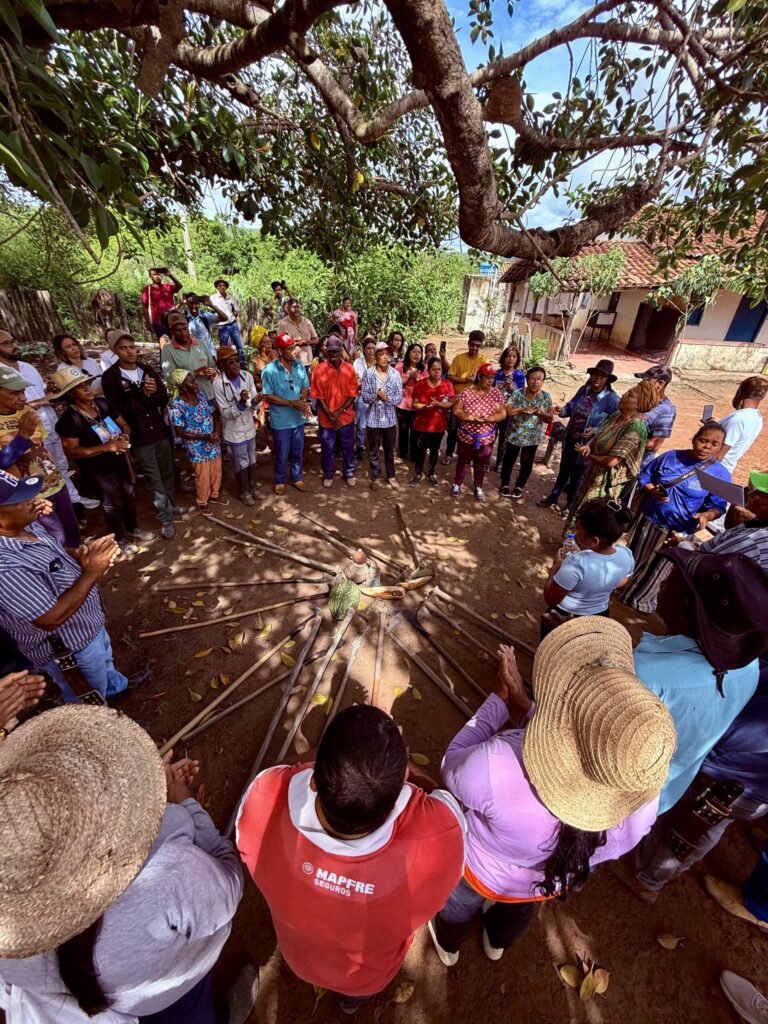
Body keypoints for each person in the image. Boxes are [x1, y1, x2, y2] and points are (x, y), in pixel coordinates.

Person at [428, 620, 675, 966]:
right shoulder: (642, 801)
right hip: (542, 882)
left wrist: (498, 702)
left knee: (458, 903)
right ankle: (496, 942)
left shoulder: (498, 764)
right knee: (517, 913)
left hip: (479, 871)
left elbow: (451, 767)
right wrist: (528, 712)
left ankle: (448, 942)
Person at [0, 705, 257, 1024]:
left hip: (110, 1004)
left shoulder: (8, 935)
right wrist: (184, 808)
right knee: (190, 1014)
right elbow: (230, 885)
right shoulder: (169, 865)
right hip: (173, 987)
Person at [236, 703, 465, 1014]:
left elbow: (278, 772)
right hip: (368, 977)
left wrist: (337, 759)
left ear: (315, 781)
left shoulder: (262, 802)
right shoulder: (439, 841)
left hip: (299, 959)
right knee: (355, 996)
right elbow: (443, 800)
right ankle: (349, 1005)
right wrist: (398, 770)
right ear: (398, 795)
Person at [631, 549, 764, 815]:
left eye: (674, 580)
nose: (664, 582)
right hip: (661, 795)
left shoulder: (646, 677)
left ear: (691, 606)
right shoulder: (749, 667)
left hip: (614, 797)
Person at [0, 471, 149, 702]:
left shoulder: (25, 526)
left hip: (86, 624)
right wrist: (92, 571)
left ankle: (115, 689)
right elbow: (50, 619)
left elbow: (55, 554)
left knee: (104, 665)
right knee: (87, 700)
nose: (34, 500)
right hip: (70, 647)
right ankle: (104, 729)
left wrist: (80, 555)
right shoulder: (5, 567)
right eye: (21, 500)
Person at [611, 692, 768, 905]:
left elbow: (731, 732)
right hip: (749, 789)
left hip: (726, 782)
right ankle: (662, 873)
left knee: (681, 829)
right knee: (704, 828)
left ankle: (647, 880)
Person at [620, 423, 731, 612]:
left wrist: (706, 515)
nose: (707, 447)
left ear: (721, 448)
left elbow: (718, 506)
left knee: (660, 567)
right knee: (634, 557)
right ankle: (619, 590)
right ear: (695, 439)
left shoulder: (720, 474)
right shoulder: (671, 457)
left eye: (714, 444)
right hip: (650, 519)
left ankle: (640, 602)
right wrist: (651, 490)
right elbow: (646, 475)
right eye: (703, 440)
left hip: (680, 529)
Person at [55, 367, 154, 556]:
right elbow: (71, 452)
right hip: (98, 470)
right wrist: (106, 448)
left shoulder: (102, 404)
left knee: (129, 493)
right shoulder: (71, 419)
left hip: (120, 461)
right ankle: (119, 538)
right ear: (70, 394)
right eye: (80, 387)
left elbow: (124, 424)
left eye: (87, 384)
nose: (87, 389)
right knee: (112, 502)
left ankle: (133, 528)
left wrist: (124, 437)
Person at [102, 330, 179, 540]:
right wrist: (143, 395)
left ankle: (171, 505)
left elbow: (163, 398)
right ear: (114, 351)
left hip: (159, 431)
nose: (129, 352)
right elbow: (119, 411)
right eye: (123, 348)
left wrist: (152, 394)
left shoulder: (146, 369)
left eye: (131, 346)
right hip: (139, 435)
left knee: (167, 471)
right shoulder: (110, 377)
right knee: (153, 478)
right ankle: (165, 518)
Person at [0, 365, 81, 547]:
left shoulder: (27, 411)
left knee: (72, 530)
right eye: (14, 393)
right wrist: (22, 437)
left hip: (56, 483)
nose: (23, 397)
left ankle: (82, 565)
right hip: (30, 494)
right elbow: (1, 464)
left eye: (22, 391)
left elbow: (41, 447)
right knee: (54, 538)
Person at [565, 381, 657, 527]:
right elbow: (598, 436)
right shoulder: (615, 416)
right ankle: (568, 546)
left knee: (590, 520)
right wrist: (588, 446)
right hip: (592, 474)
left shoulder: (636, 428)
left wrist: (588, 456)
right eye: (627, 392)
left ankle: (580, 547)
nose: (625, 395)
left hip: (605, 485)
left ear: (639, 405)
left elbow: (611, 461)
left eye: (631, 395)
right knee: (578, 512)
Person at [540, 498, 635, 638]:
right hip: (599, 616)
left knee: (552, 652)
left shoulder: (575, 564)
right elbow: (621, 583)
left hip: (563, 617)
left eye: (578, 528)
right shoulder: (626, 554)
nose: (576, 531)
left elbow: (551, 599)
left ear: (594, 541)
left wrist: (555, 566)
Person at [538, 359, 619, 511]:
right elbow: (571, 406)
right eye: (596, 374)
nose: (598, 378)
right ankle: (553, 496)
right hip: (571, 437)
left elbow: (614, 423)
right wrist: (561, 410)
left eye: (602, 376)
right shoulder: (584, 390)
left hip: (587, 444)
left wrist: (595, 430)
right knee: (564, 469)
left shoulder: (612, 399)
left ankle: (569, 504)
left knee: (578, 475)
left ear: (607, 379)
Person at [169, 370, 228, 515]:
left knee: (216, 471)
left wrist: (216, 432)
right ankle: (202, 501)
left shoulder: (201, 396)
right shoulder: (177, 405)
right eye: (191, 382)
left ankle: (214, 494)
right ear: (182, 387)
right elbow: (180, 431)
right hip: (197, 447)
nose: (196, 384)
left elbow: (215, 414)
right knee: (202, 476)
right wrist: (205, 437)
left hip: (212, 441)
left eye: (195, 380)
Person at [261, 333, 311, 495]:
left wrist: (302, 400)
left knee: (297, 450)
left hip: (298, 419)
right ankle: (280, 479)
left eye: (294, 348)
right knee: (282, 451)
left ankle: (297, 477)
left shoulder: (299, 366)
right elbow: (268, 395)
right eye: (290, 349)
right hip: (281, 420)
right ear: (280, 352)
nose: (294, 352)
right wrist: (292, 403)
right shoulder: (269, 370)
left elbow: (305, 386)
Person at [212, 346, 261, 506]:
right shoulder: (218, 384)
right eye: (230, 362)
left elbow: (253, 403)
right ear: (222, 366)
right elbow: (225, 413)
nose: (235, 364)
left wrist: (256, 401)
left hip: (249, 428)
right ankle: (244, 492)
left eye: (237, 360)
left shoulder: (247, 376)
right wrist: (240, 404)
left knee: (252, 459)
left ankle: (253, 488)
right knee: (241, 462)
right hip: (234, 431)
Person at [451, 362, 506, 502]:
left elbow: (502, 413)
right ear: (479, 377)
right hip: (466, 435)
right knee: (463, 460)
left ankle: (478, 486)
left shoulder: (496, 393)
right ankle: (457, 483)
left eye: (492, 378)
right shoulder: (467, 392)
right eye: (487, 377)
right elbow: (456, 410)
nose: (490, 381)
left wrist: (490, 418)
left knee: (480, 462)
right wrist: (469, 417)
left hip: (485, 437)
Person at [311, 337, 359, 489]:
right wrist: (332, 415)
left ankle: (349, 473)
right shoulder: (319, 370)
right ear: (326, 352)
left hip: (346, 417)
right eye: (330, 351)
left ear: (341, 351)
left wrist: (339, 412)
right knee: (327, 447)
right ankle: (329, 473)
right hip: (327, 418)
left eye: (336, 351)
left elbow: (353, 394)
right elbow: (318, 397)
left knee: (348, 446)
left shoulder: (350, 369)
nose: (333, 354)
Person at [499, 366, 553, 499]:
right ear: (527, 380)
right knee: (509, 460)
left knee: (527, 463)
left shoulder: (546, 397)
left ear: (543, 381)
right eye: (532, 379)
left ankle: (519, 486)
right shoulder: (517, 393)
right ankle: (505, 484)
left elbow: (550, 418)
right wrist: (523, 409)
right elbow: (508, 411)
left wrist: (540, 412)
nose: (535, 382)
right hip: (514, 434)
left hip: (532, 437)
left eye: (539, 379)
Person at [361, 341, 403, 490]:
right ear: (375, 356)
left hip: (390, 420)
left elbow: (399, 397)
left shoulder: (395, 374)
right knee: (373, 451)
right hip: (373, 420)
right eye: (381, 354)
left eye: (387, 354)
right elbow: (365, 396)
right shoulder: (369, 373)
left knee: (389, 450)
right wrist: (376, 396)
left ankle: (391, 475)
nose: (385, 357)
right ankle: (376, 476)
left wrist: (387, 398)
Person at [410, 357, 455, 487]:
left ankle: (431, 473)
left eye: (439, 369)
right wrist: (424, 406)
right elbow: (414, 404)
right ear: (428, 370)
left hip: (439, 425)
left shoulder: (447, 384)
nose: (437, 372)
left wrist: (438, 403)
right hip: (421, 425)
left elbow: (451, 403)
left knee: (435, 450)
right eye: (434, 369)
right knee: (420, 451)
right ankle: (418, 473)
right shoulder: (420, 384)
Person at [444, 331, 486, 463]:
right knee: (454, 429)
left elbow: (487, 381)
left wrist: (475, 381)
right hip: (457, 401)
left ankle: (466, 457)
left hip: (475, 402)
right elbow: (450, 377)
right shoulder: (459, 358)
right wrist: (466, 379)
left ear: (481, 346)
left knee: (473, 431)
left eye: (477, 346)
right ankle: (449, 454)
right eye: (472, 344)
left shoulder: (484, 360)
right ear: (468, 344)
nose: (474, 348)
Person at [160, 311, 217, 400]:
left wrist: (212, 372)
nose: (183, 333)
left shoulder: (200, 344)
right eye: (178, 330)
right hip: (188, 401)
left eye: (184, 328)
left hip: (208, 395)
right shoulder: (168, 350)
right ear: (171, 331)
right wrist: (195, 373)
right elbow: (170, 378)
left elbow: (211, 365)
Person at [718, 375, 767, 476]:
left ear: (740, 392)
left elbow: (719, 455)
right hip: (725, 470)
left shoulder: (738, 419)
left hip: (715, 470)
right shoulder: (756, 417)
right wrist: (714, 426)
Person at [633, 365, 677, 470]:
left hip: (635, 466)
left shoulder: (667, 410)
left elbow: (653, 446)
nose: (642, 384)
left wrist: (624, 437)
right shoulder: (637, 398)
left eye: (647, 381)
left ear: (660, 384)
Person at [493, 346, 526, 471]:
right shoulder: (497, 374)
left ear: (517, 359)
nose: (511, 359)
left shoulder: (519, 375)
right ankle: (485, 460)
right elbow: (491, 391)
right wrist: (502, 386)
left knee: (504, 439)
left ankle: (499, 463)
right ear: (504, 357)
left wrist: (513, 388)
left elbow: (522, 394)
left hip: (509, 413)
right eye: (508, 356)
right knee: (490, 436)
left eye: (514, 356)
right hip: (495, 411)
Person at [395, 343, 427, 462]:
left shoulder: (424, 368)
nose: (416, 354)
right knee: (403, 430)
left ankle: (414, 454)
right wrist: (408, 378)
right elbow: (395, 384)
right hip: (402, 404)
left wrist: (417, 379)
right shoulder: (400, 366)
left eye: (419, 352)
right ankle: (402, 453)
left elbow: (428, 386)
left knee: (416, 431)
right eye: (414, 351)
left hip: (417, 405)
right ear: (408, 353)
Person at [0, 330, 46, 403]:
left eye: (13, 341)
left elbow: (43, 391)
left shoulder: (28, 366)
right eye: (7, 343)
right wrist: (41, 402)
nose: (15, 346)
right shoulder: (1, 374)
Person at [208, 278, 246, 368]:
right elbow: (211, 311)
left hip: (232, 323)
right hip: (222, 325)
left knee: (239, 345)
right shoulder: (213, 298)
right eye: (220, 285)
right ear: (217, 287)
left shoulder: (231, 297)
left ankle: (243, 364)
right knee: (224, 347)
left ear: (226, 287)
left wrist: (235, 314)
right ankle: (224, 365)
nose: (222, 287)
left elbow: (236, 309)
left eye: (224, 285)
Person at [141, 267, 183, 340]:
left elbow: (180, 286)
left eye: (159, 274)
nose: (157, 276)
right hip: (157, 322)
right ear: (150, 276)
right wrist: (148, 323)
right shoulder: (147, 289)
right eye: (154, 274)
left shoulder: (168, 286)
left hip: (171, 320)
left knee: (177, 341)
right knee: (163, 344)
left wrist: (170, 275)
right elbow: (144, 307)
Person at [353, 337, 376, 461]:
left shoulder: (379, 362)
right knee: (362, 423)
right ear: (363, 350)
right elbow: (356, 382)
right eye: (368, 348)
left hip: (377, 396)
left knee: (374, 423)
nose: (371, 351)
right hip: (362, 395)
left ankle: (373, 446)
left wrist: (364, 382)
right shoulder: (357, 362)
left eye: (373, 348)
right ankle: (360, 446)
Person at [184, 292, 227, 360]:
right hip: (193, 355)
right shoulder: (183, 317)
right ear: (187, 304)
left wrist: (211, 305)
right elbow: (167, 316)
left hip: (209, 353)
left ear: (199, 304)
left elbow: (225, 318)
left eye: (196, 303)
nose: (194, 306)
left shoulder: (206, 316)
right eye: (191, 303)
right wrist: (180, 303)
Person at [277, 299, 319, 367]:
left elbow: (316, 339)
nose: (296, 309)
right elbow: (279, 342)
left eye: (298, 307)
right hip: (292, 362)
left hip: (308, 361)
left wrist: (309, 341)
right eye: (294, 307)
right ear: (288, 309)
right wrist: (296, 343)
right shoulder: (283, 323)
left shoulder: (307, 322)